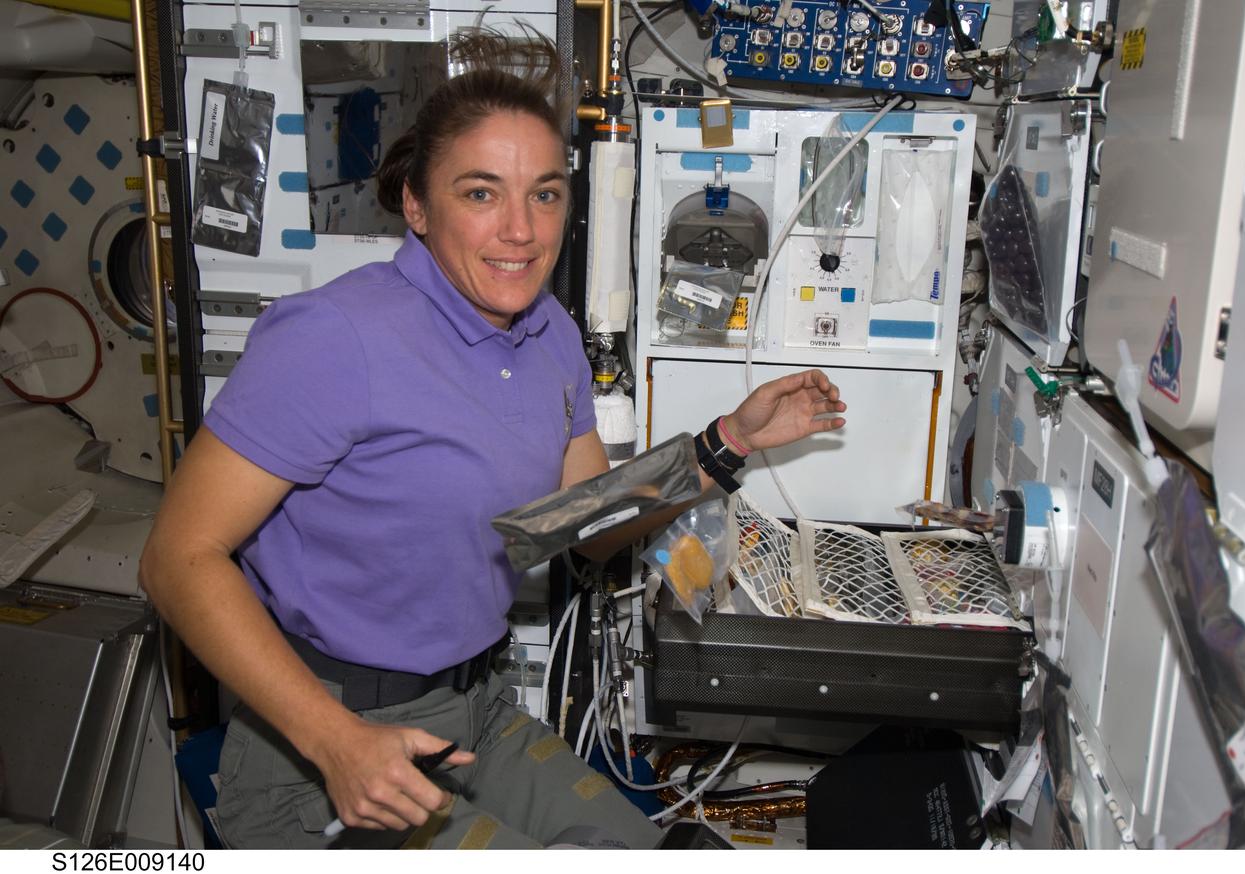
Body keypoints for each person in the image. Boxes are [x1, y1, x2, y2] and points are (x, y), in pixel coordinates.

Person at [139, 29, 847, 849]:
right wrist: (336, 743)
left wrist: (726, 442)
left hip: (474, 711)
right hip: (326, 743)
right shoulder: (335, 337)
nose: (521, 229)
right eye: (481, 193)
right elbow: (177, 558)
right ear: (416, 202)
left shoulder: (547, 333)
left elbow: (582, 526)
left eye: (544, 194)